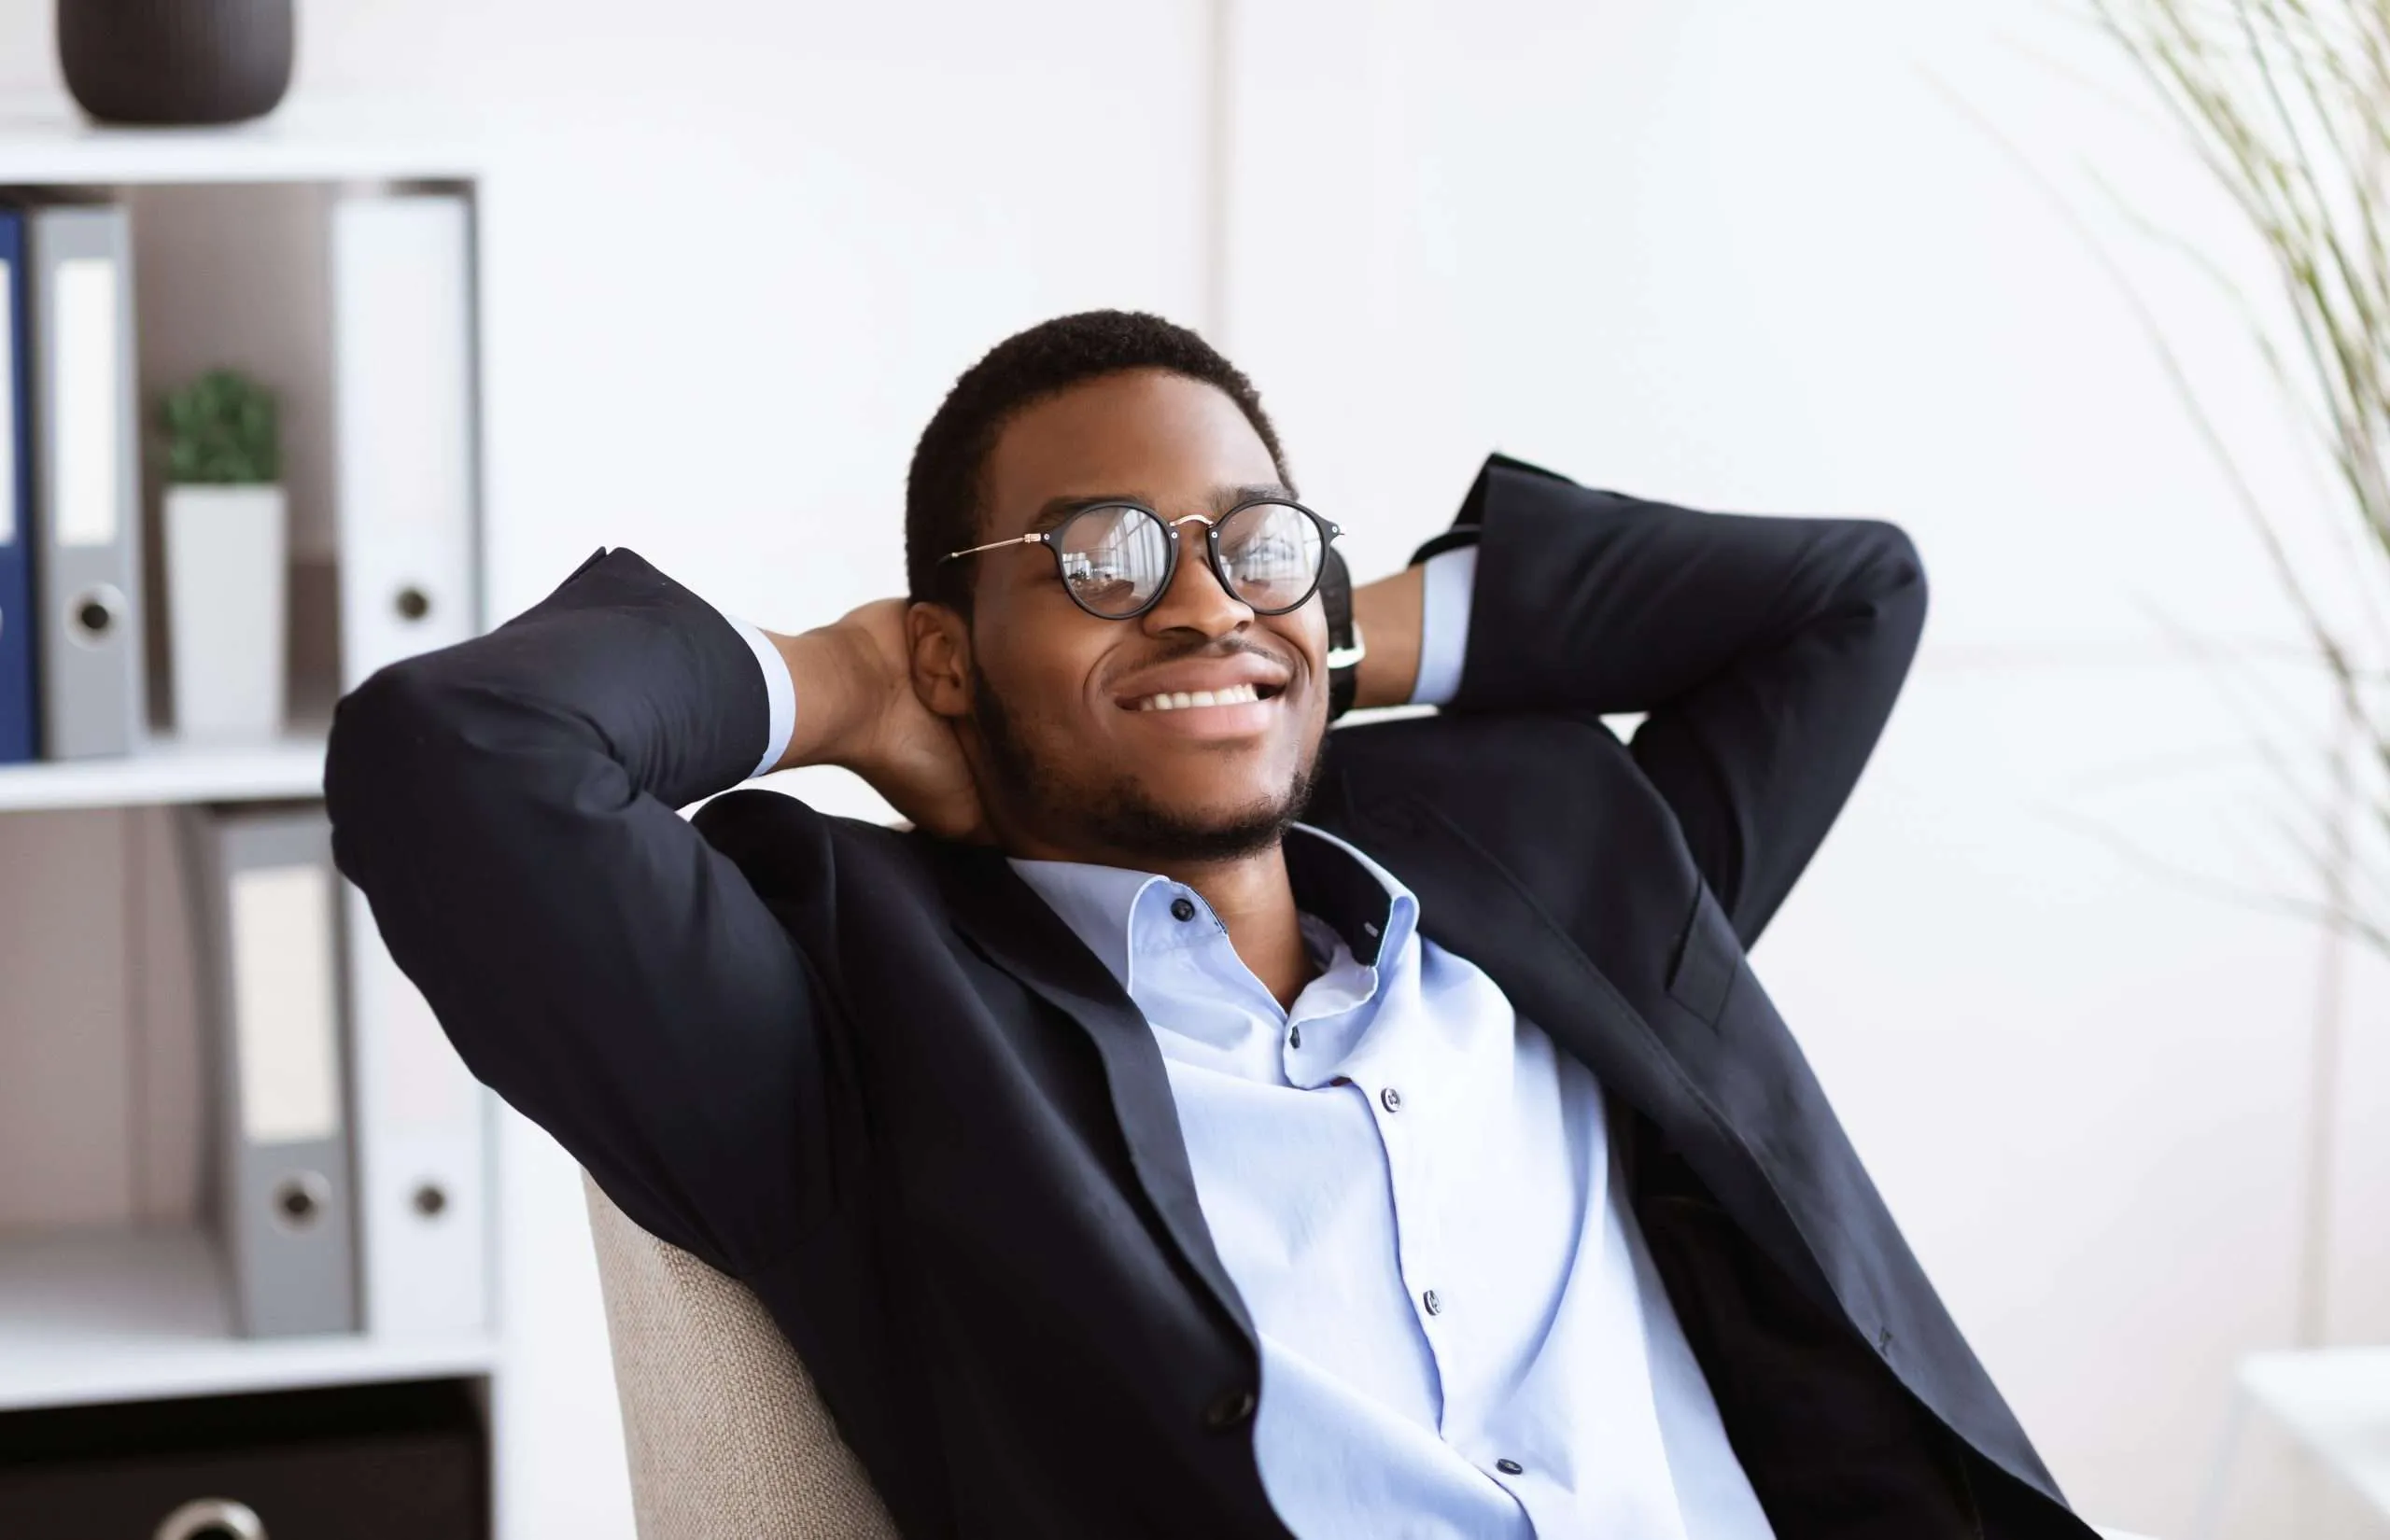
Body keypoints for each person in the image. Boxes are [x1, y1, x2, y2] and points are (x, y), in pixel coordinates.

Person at [326, 311, 2092, 1538]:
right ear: (954, 651)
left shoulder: (1551, 859)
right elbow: (450, 756)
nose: (1186, 593)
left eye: (1246, 539)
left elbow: (1846, 600)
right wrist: (850, 677)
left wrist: (1303, 630)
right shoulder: (863, 1011)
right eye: (1097, 556)